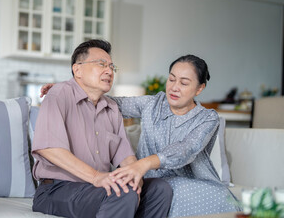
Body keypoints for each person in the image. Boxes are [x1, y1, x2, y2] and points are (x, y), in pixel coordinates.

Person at [40, 54, 241, 217]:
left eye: (184, 83)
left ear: (199, 88)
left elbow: (186, 149)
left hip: (188, 182)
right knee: (160, 189)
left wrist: (142, 164)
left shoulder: (207, 118)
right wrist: (71, 89)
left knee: (220, 198)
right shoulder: (152, 104)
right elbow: (110, 102)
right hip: (150, 181)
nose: (174, 87)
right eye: (171, 79)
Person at [32, 39, 173, 218]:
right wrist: (97, 177)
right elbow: (48, 148)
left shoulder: (111, 107)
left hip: (94, 190)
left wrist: (134, 176)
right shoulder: (59, 94)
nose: (109, 71)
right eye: (101, 64)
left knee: (160, 189)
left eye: (112, 67)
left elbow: (125, 156)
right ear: (78, 70)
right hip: (57, 189)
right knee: (122, 192)